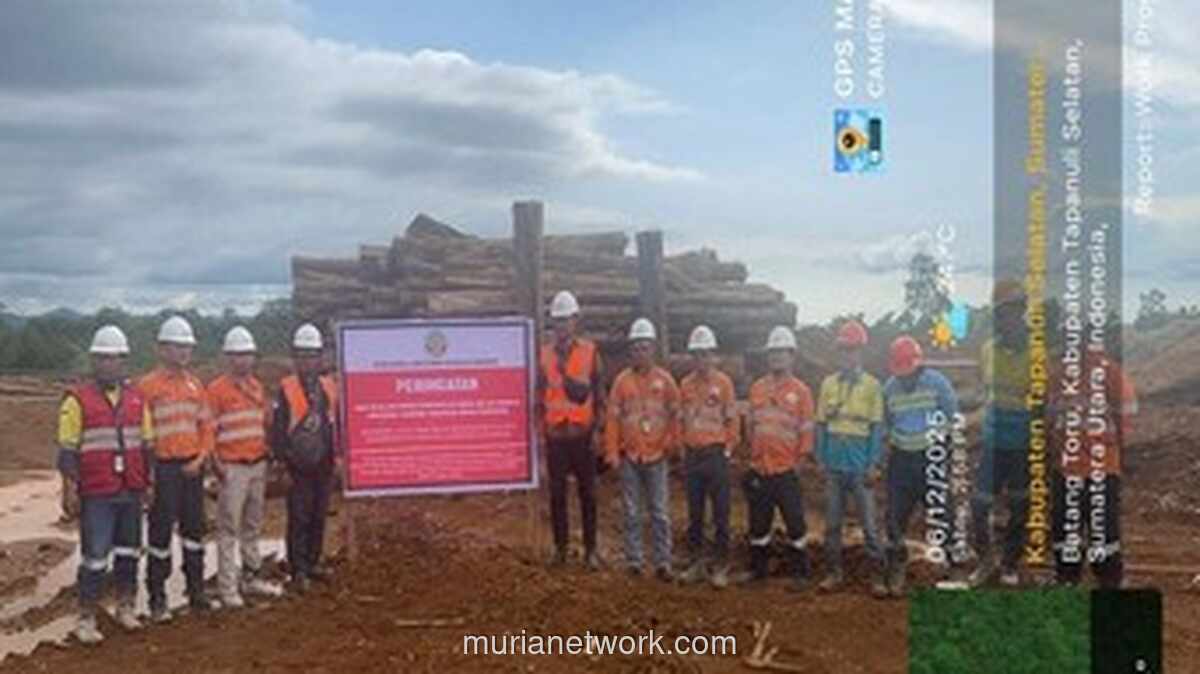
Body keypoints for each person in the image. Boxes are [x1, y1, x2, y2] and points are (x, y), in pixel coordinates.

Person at [57, 326, 153, 643]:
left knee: (128, 553)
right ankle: (86, 617)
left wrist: (148, 485)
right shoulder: (76, 401)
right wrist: (69, 490)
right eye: (103, 358)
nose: (109, 364)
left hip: (131, 488)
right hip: (97, 491)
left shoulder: (138, 399)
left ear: (124, 361)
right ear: (94, 360)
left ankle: (126, 607)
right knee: (95, 556)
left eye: (115, 359)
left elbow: (147, 445)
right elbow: (68, 452)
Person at [139, 315, 217, 620]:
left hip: (192, 468)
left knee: (194, 532)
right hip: (163, 469)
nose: (184, 352)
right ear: (162, 349)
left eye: (187, 347)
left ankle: (195, 591)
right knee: (159, 536)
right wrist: (148, 477)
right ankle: (157, 598)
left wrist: (201, 459)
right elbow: (141, 437)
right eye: (177, 346)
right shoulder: (147, 387)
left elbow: (207, 427)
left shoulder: (195, 385)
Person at [208, 326, 283, 608]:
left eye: (247, 355)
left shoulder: (256, 387)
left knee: (252, 525)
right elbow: (209, 432)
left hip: (257, 464)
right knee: (228, 528)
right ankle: (228, 588)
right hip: (232, 467)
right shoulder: (216, 390)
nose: (243, 360)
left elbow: (265, 424)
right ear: (228, 357)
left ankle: (251, 578)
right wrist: (216, 466)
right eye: (237, 355)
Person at [1048, 349, 1137, 588]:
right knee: (1066, 527)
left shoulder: (1109, 372)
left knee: (1103, 528)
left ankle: (1109, 580)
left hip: (1101, 467)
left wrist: (1117, 452)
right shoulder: (1057, 373)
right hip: (1068, 467)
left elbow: (1125, 414)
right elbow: (1049, 415)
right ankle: (1067, 576)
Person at [881, 336, 961, 597]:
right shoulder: (890, 388)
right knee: (894, 517)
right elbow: (886, 423)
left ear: (918, 366)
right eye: (900, 373)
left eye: (909, 372)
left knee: (942, 513)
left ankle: (952, 565)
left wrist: (942, 453)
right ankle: (896, 567)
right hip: (901, 459)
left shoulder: (937, 383)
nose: (905, 378)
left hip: (930, 456)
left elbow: (951, 418)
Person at [737, 325, 815, 592]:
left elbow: (806, 429)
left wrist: (800, 461)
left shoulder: (801, 392)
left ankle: (801, 574)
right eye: (773, 353)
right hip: (761, 467)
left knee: (795, 524)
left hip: (786, 469)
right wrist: (751, 458)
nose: (777, 358)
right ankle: (758, 572)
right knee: (758, 525)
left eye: (782, 353)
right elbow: (750, 426)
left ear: (792, 356)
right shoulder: (757, 388)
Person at [814, 320, 887, 597]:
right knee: (832, 525)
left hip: (860, 467)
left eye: (852, 350)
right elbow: (821, 425)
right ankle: (833, 573)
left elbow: (876, 429)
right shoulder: (828, 384)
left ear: (861, 352)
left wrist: (873, 464)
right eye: (843, 350)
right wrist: (820, 459)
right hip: (833, 466)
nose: (847, 355)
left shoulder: (872, 386)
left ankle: (877, 577)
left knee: (869, 525)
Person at [605, 317, 681, 582]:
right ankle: (634, 560)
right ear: (631, 351)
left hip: (657, 455)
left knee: (659, 512)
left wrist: (673, 441)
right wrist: (612, 451)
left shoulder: (666, 381)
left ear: (653, 349)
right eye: (636, 348)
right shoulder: (621, 382)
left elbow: (675, 416)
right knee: (631, 511)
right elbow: (613, 419)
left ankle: (663, 561)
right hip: (631, 455)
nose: (641, 352)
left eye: (645, 347)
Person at [970, 280, 1033, 587]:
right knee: (979, 504)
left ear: (1021, 312)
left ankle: (1010, 563)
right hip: (994, 442)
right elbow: (985, 391)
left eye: (1011, 312)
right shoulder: (987, 351)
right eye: (1001, 313)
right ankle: (985, 560)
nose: (1006, 319)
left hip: (1022, 444)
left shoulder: (1037, 354)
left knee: (1020, 506)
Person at [538, 290, 605, 569]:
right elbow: (538, 396)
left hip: (582, 436)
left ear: (575, 320)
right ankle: (561, 549)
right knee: (557, 496)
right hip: (556, 438)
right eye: (557, 321)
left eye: (566, 320)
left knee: (588, 495)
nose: (561, 326)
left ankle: (591, 550)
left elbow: (600, 393)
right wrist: (541, 435)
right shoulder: (544, 355)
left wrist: (599, 431)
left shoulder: (590, 352)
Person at [270, 323, 339, 594]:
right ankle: (298, 568)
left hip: (322, 461)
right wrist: (281, 464)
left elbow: (332, 422)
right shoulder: (286, 388)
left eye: (312, 355)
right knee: (298, 517)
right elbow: (277, 429)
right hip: (296, 463)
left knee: (318, 514)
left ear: (320, 357)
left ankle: (313, 562)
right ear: (294, 358)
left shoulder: (327, 386)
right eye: (302, 355)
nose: (307, 361)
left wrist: (336, 458)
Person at [677, 325, 740, 589]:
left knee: (721, 514)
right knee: (695, 514)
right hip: (693, 456)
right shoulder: (685, 385)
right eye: (696, 354)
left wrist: (727, 450)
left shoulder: (724, 383)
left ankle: (721, 566)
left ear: (713, 355)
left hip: (716, 455)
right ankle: (696, 564)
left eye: (705, 354)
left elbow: (732, 420)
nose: (701, 359)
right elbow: (680, 421)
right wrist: (682, 448)